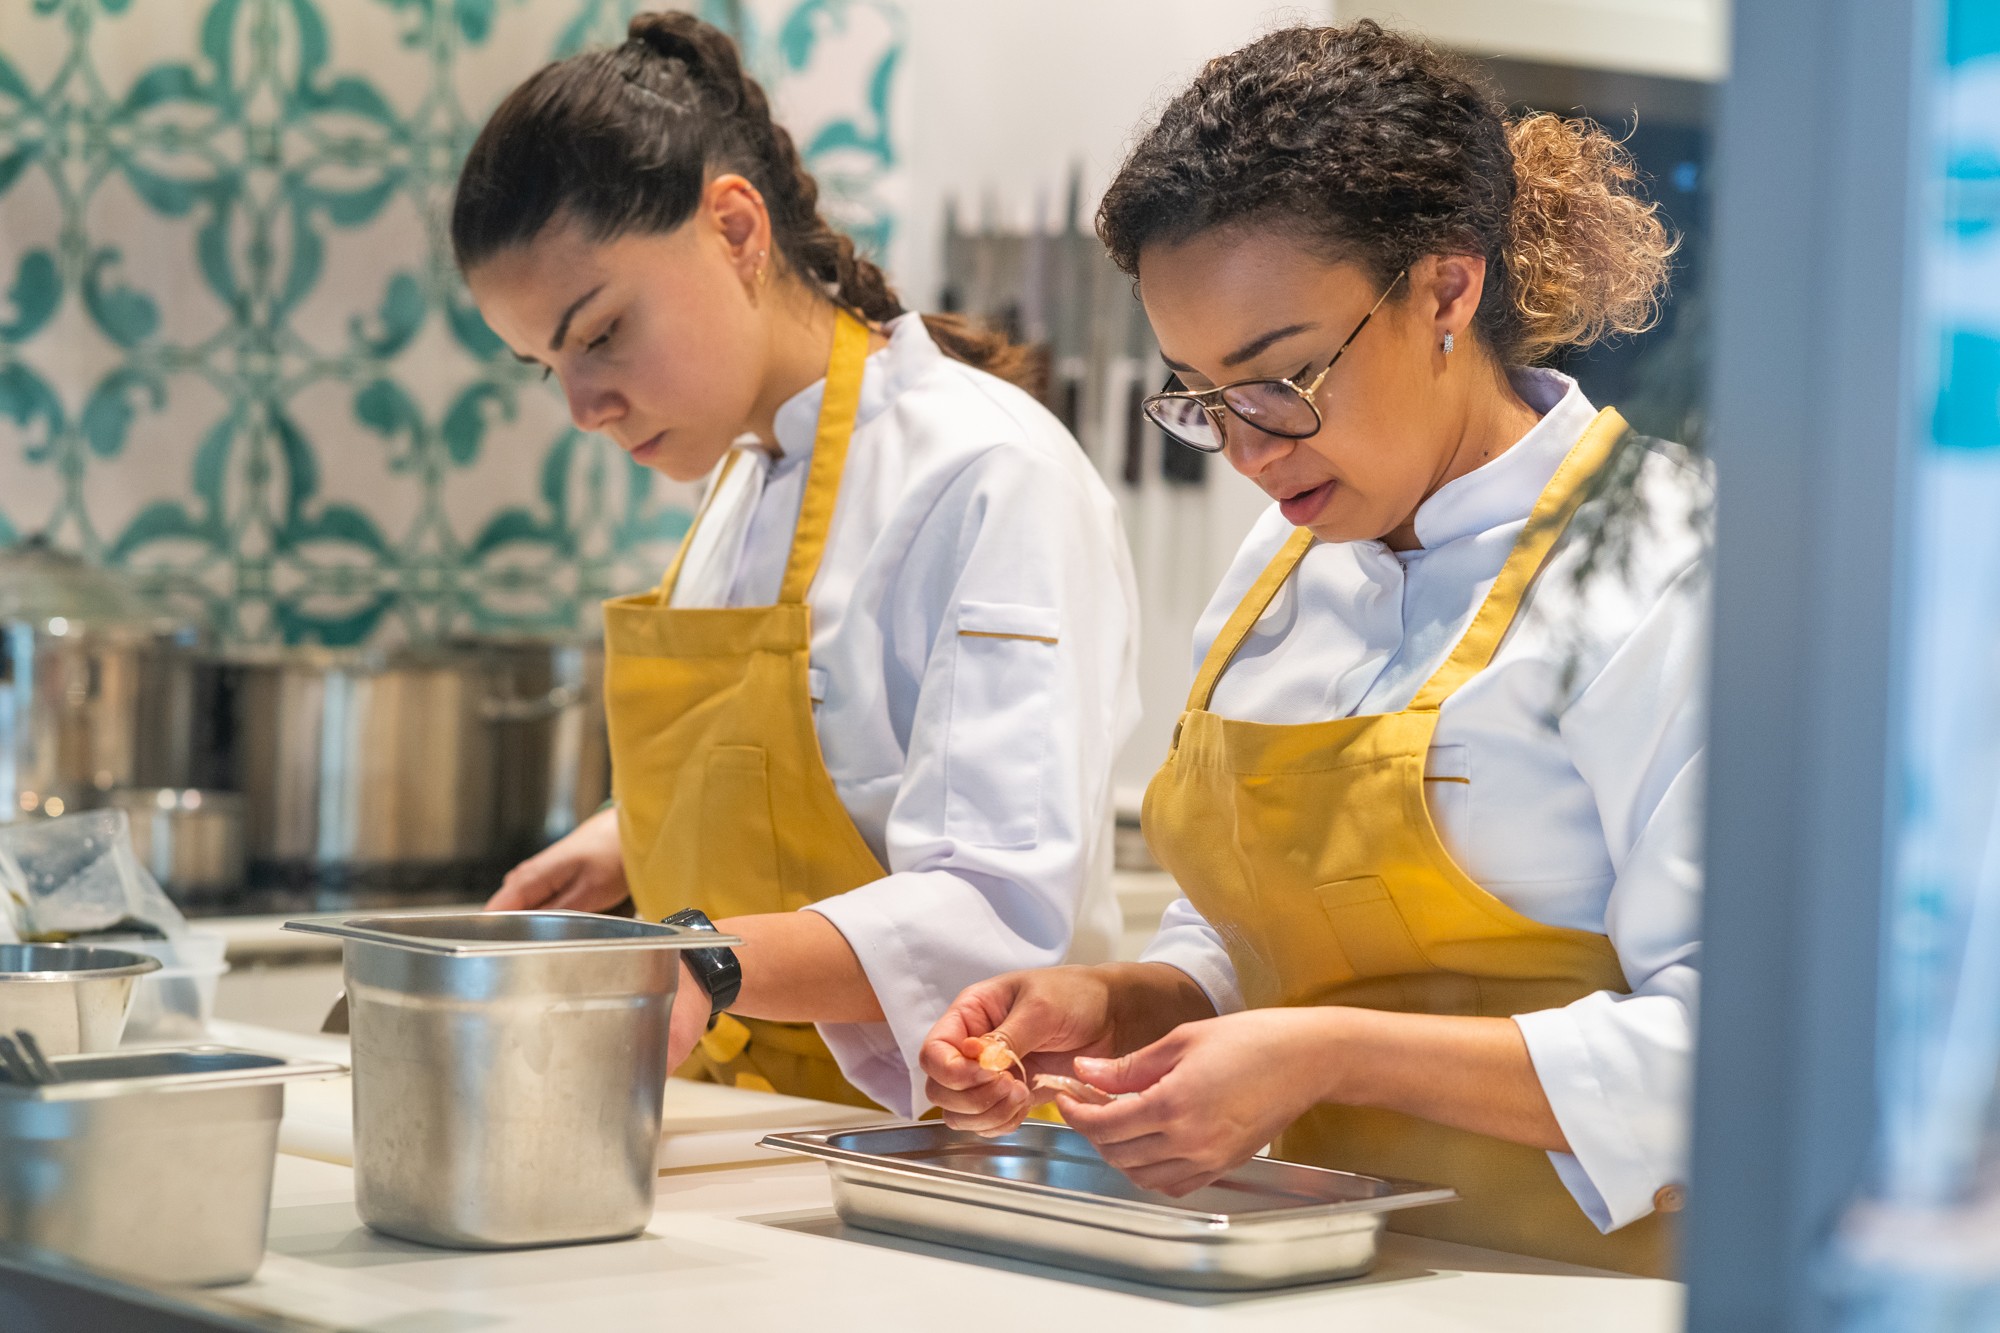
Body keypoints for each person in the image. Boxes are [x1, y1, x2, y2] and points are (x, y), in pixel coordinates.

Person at [920, 22, 1702, 1276]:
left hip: (1571, 1291)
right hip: (1291, 1272)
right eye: (1195, 394)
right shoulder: (1277, 565)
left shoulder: (1664, 568)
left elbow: (1735, 1057)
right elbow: (1251, 930)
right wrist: (1130, 1005)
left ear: (1446, 289)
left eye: (1280, 376)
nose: (1244, 446)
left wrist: (1327, 1050)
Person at [452, 12, 1138, 1114]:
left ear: (733, 228)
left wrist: (703, 957)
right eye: (548, 368)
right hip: (747, 1131)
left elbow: (1000, 908)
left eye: (601, 332)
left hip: (938, 1142)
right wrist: (630, 838)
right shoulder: (737, 485)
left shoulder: (988, 474)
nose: (584, 407)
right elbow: (825, 777)